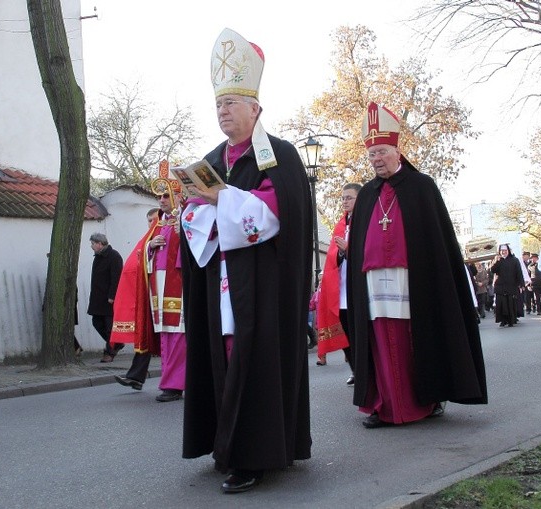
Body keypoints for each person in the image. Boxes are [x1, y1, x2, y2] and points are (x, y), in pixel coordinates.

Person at [180, 28, 311, 494]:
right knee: (225, 359)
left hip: (262, 286)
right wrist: (197, 206)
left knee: (253, 362)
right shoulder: (211, 159)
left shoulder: (279, 156)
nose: (223, 111)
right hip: (222, 281)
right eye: (219, 104)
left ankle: (253, 456)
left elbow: (274, 216)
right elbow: (193, 220)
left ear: (255, 108)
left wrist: (221, 199)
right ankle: (228, 446)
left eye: (232, 102)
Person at [346, 101, 487, 429]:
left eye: (382, 152)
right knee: (379, 342)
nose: (377, 160)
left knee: (417, 340)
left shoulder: (422, 187)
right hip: (375, 284)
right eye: (371, 155)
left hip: (415, 281)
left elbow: (437, 244)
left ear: (397, 151)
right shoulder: (367, 195)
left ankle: (426, 399)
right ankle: (384, 404)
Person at [112, 186, 187, 403]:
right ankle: (169, 381)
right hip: (158, 286)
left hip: (178, 285)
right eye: (159, 196)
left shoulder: (186, 216)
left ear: (178, 196)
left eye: (165, 196)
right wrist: (150, 246)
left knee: (177, 335)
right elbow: (142, 251)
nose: (161, 200)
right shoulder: (160, 222)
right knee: (165, 335)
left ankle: (173, 384)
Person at [315, 182, 361, 385]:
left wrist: (349, 249)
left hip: (359, 290)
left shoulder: (365, 222)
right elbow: (333, 256)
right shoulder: (341, 225)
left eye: (349, 197)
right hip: (340, 292)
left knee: (360, 336)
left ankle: (364, 371)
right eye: (343, 198)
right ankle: (355, 370)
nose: (344, 201)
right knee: (346, 335)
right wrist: (342, 252)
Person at [87, 233, 123, 362]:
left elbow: (116, 278)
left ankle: (110, 352)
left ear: (99, 243)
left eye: (92, 244)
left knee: (110, 327)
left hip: (109, 299)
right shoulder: (98, 257)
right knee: (97, 322)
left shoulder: (114, 256)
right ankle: (117, 343)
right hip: (98, 298)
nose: (91, 246)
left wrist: (112, 296)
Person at [490, 244, 524, 327]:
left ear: (508, 251)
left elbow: (519, 272)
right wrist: (496, 261)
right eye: (502, 251)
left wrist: (521, 284)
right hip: (500, 286)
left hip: (511, 285)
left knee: (510, 304)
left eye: (505, 250)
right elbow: (492, 270)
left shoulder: (514, 260)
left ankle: (511, 320)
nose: (503, 252)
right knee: (501, 304)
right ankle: (503, 320)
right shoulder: (498, 260)